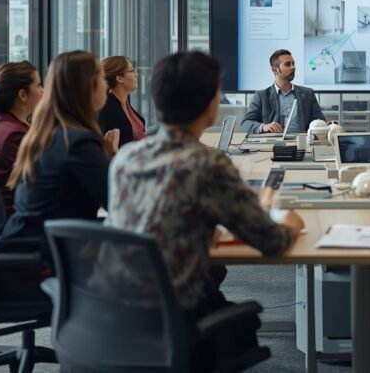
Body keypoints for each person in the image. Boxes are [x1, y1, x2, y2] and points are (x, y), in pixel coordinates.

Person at [108, 51, 304, 371]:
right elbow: (272, 242)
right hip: (181, 317)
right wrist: (291, 223)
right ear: (211, 102)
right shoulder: (207, 163)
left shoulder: (126, 159)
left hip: (115, 312)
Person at [0, 51, 119, 258]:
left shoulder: (49, 133)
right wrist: (113, 159)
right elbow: (116, 201)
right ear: (87, 87)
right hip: (42, 262)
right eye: (101, 78)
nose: (106, 85)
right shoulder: (77, 143)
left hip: (25, 247)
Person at [0, 61, 42, 217]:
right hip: (22, 224)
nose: (43, 91)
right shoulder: (15, 135)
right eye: (39, 86)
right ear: (22, 95)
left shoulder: (6, 126)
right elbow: (36, 184)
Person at [241, 49, 326, 134]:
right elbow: (246, 123)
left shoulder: (308, 94)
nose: (293, 67)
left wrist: (329, 124)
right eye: (287, 64)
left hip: (301, 141)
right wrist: (263, 127)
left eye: (293, 63)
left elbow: (320, 121)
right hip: (274, 141)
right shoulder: (262, 96)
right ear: (275, 70)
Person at [97, 56, 146, 147]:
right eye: (131, 70)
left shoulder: (125, 100)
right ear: (119, 78)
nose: (136, 74)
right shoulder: (108, 108)